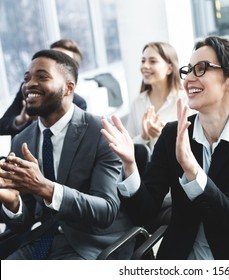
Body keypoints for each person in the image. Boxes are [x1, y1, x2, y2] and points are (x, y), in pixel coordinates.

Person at [101, 36, 229, 260]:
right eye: (189, 70)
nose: (188, 79)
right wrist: (129, 165)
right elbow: (145, 212)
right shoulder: (172, 134)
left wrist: (192, 169)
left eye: (201, 69)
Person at [0, 49, 133, 259]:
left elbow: (106, 210)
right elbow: (23, 222)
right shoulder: (21, 140)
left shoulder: (101, 133)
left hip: (91, 244)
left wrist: (45, 188)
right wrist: (12, 203)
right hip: (43, 238)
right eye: (27, 78)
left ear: (68, 88)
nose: (29, 84)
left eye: (42, 77)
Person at [0, 39, 87, 137]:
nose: (30, 84)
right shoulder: (27, 91)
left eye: (63, 60)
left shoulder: (79, 104)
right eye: (52, 55)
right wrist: (21, 120)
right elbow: (2, 125)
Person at [127, 41, 189, 152]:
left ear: (170, 68)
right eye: (143, 61)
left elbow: (195, 143)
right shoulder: (137, 102)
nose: (145, 66)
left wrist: (166, 134)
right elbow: (127, 144)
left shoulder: (186, 100)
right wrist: (143, 137)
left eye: (152, 61)